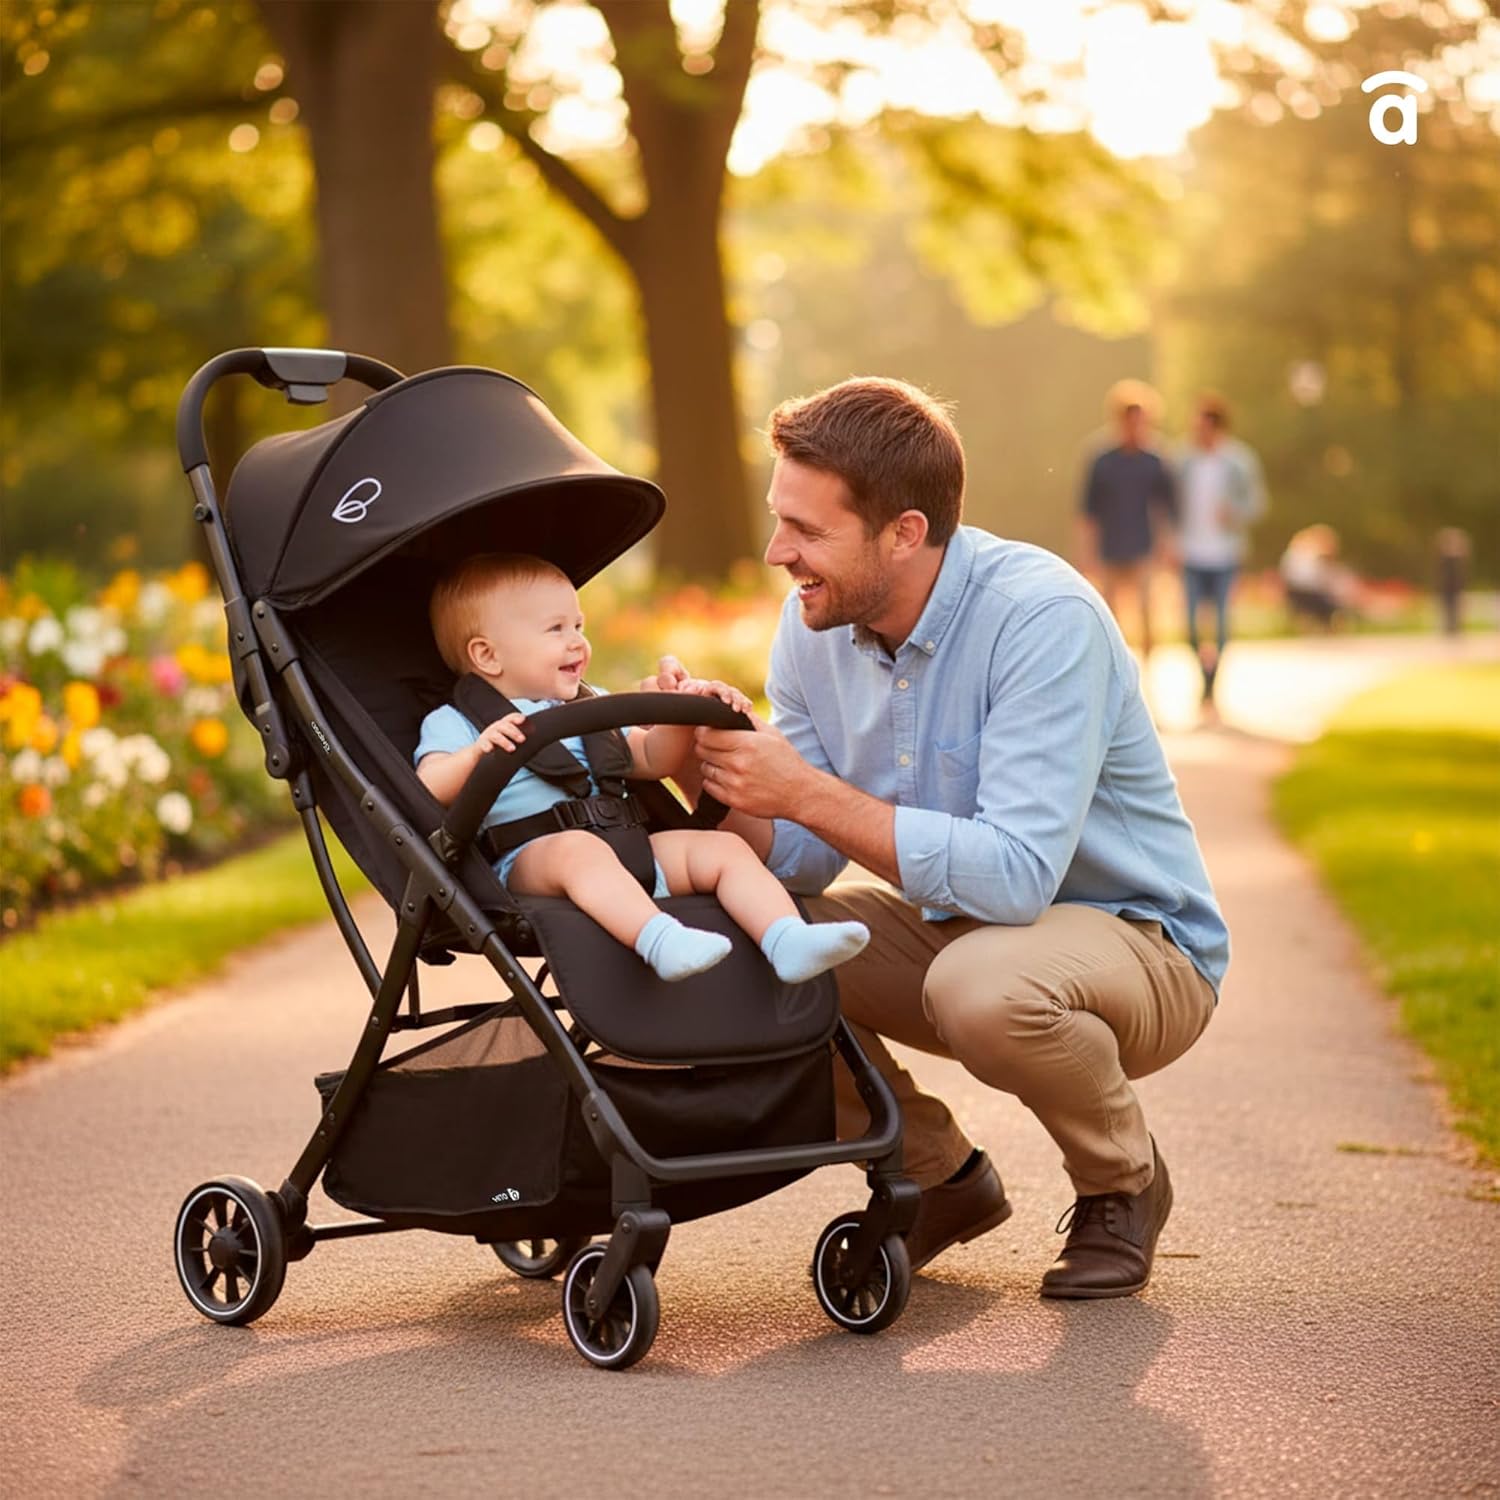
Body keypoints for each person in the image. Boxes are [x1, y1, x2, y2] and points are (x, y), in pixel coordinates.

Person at [664, 377, 1227, 1299]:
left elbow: (1013, 880)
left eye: (807, 531)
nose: (777, 553)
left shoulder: (1043, 620)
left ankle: (1121, 1184)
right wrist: (715, 768)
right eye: (780, 521)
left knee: (981, 988)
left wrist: (804, 788)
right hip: (966, 932)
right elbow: (800, 853)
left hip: (1138, 945)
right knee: (734, 945)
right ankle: (937, 1176)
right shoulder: (815, 626)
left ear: (906, 532)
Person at [414, 553, 868, 985]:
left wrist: (680, 712)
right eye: (555, 629)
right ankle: (660, 940)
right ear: (487, 655)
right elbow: (430, 787)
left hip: (625, 847)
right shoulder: (458, 724)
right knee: (576, 848)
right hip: (532, 861)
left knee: (722, 847)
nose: (577, 641)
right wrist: (477, 756)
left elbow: (652, 759)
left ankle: (786, 938)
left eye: (579, 625)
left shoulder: (590, 707)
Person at [1174, 393, 1268, 706]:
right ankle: (1203, 675)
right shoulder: (1183, 461)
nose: (1197, 434)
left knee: (1223, 623)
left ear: (1218, 428)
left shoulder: (1239, 461)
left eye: (1203, 428)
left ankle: (1214, 683)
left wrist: (1235, 513)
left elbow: (1258, 503)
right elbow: (1169, 505)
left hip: (1226, 553)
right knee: (1189, 623)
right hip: (1190, 552)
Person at [1077, 380, 1177, 658]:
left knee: (1147, 613)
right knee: (1110, 616)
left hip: (1143, 547)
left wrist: (1167, 545)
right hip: (1110, 547)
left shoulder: (1155, 460)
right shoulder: (1101, 460)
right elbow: (1088, 511)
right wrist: (1086, 552)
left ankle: (1148, 668)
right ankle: (1117, 666)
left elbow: (1166, 509)